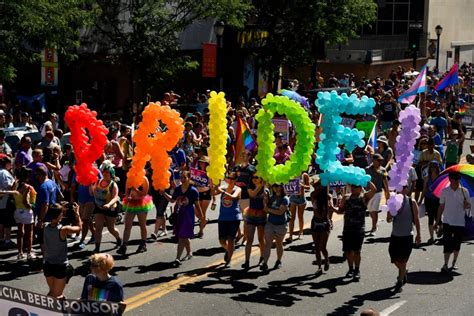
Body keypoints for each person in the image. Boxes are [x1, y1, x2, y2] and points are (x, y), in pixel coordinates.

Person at [162, 171, 204, 266]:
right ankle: (189, 253)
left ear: (189, 178)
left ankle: (177, 258)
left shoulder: (193, 191)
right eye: (181, 177)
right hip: (179, 214)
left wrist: (201, 217)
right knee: (184, 236)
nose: (182, 179)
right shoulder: (177, 189)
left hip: (188, 215)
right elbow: (172, 200)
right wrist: (164, 193)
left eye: (184, 177)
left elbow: (197, 205)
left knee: (182, 236)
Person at [336, 181, 376, 280]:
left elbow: (374, 190)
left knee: (357, 251)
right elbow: (340, 211)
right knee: (348, 251)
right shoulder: (346, 197)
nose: (353, 188)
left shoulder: (363, 197)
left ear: (360, 188)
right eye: (352, 185)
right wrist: (332, 208)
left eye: (356, 186)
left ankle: (357, 270)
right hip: (347, 228)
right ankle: (350, 269)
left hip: (359, 229)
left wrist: (366, 180)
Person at [387, 186, 422, 292]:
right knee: (394, 258)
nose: (400, 190)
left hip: (407, 235)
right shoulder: (393, 202)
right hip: (395, 235)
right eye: (399, 188)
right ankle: (403, 271)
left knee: (402, 259)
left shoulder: (411, 202)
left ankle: (400, 280)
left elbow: (416, 218)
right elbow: (388, 220)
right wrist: (390, 211)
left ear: (406, 189)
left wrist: (418, 234)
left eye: (403, 188)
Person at [43, 203, 82, 299]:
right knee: (55, 294)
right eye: (62, 213)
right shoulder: (63, 230)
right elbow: (79, 228)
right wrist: (77, 214)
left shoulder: (45, 226)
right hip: (60, 266)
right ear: (59, 215)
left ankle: (58, 304)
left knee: (53, 291)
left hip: (48, 264)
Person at [435, 172, 471, 272]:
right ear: (450, 180)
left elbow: (468, 207)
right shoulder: (445, 191)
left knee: (457, 244)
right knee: (447, 243)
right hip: (447, 221)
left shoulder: (465, 191)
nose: (457, 181)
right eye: (455, 179)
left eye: (458, 179)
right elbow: (441, 206)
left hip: (459, 222)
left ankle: (454, 262)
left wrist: (466, 205)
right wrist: (437, 221)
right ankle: (445, 264)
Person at [90, 163, 122, 254]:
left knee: (111, 228)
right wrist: (90, 185)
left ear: (111, 174)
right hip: (99, 207)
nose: (105, 174)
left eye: (107, 173)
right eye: (104, 172)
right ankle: (97, 248)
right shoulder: (98, 182)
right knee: (98, 227)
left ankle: (118, 238)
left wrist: (109, 204)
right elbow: (92, 193)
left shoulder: (113, 185)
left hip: (110, 209)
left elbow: (115, 197)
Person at [118, 176, 153, 255]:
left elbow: (144, 193)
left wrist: (135, 189)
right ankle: (123, 245)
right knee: (127, 225)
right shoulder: (129, 178)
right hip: (131, 203)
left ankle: (143, 244)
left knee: (142, 225)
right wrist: (128, 197)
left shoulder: (144, 179)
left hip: (141, 203)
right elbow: (126, 191)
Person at [213, 172, 242, 267]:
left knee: (231, 239)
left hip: (234, 218)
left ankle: (229, 259)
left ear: (235, 180)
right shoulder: (223, 187)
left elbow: (233, 197)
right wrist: (216, 186)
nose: (230, 180)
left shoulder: (237, 189)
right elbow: (213, 192)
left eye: (233, 178)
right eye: (229, 178)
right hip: (223, 218)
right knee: (222, 240)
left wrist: (222, 192)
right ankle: (229, 250)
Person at [261, 184, 290, 271]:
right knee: (268, 244)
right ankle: (265, 263)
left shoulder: (285, 199)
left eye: (277, 186)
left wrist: (268, 210)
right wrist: (265, 200)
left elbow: (280, 212)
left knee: (279, 244)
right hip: (270, 224)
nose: (275, 188)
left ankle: (278, 260)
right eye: (274, 186)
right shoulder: (272, 197)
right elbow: (266, 207)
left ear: (281, 187)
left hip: (281, 225)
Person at [242, 174, 268, 269]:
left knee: (261, 239)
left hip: (261, 216)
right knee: (249, 239)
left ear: (261, 178)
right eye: (253, 177)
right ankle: (247, 261)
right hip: (251, 216)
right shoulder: (250, 187)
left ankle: (262, 257)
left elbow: (267, 202)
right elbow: (252, 195)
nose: (254, 179)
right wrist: (260, 186)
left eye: (257, 177)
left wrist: (266, 197)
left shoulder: (266, 189)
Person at [310, 178, 335, 274]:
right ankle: (319, 267)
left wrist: (329, 202)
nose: (317, 187)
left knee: (322, 246)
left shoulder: (328, 196)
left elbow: (331, 207)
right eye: (316, 186)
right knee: (316, 246)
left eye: (319, 185)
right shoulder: (313, 195)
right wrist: (318, 186)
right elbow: (314, 194)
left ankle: (326, 259)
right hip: (315, 222)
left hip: (325, 222)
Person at [12, 167, 36, 260]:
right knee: (29, 233)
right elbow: (26, 201)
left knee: (20, 232)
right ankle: (29, 253)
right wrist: (30, 206)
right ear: (27, 176)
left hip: (17, 211)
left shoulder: (15, 184)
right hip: (26, 211)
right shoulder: (27, 187)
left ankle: (20, 253)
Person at [365, 154, 390, 235]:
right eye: (378, 160)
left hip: (378, 193)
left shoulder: (383, 170)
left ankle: (374, 228)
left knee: (374, 210)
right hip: (369, 193)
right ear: (373, 160)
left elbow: (386, 183)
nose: (380, 162)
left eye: (381, 161)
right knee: (371, 211)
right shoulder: (367, 169)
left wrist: (387, 194)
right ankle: (375, 223)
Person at [419, 161, 441, 244]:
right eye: (431, 167)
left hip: (438, 200)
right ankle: (431, 237)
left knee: (437, 216)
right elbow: (424, 189)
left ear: (437, 168)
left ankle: (440, 228)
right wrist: (420, 200)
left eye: (434, 166)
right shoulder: (427, 178)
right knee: (430, 217)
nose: (432, 168)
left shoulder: (440, 177)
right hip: (429, 200)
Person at [288, 171, 310, 242]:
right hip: (293, 198)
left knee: (300, 216)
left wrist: (302, 186)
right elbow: (287, 185)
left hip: (301, 198)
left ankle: (301, 232)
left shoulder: (304, 175)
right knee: (292, 217)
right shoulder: (291, 174)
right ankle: (290, 235)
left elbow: (308, 187)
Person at [0, 155, 15, 249]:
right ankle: (7, 239)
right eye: (11, 163)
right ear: (7, 163)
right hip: (5, 200)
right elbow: (9, 186)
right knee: (7, 222)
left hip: (1, 201)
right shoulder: (5, 173)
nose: (12, 165)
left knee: (1, 221)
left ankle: (1, 238)